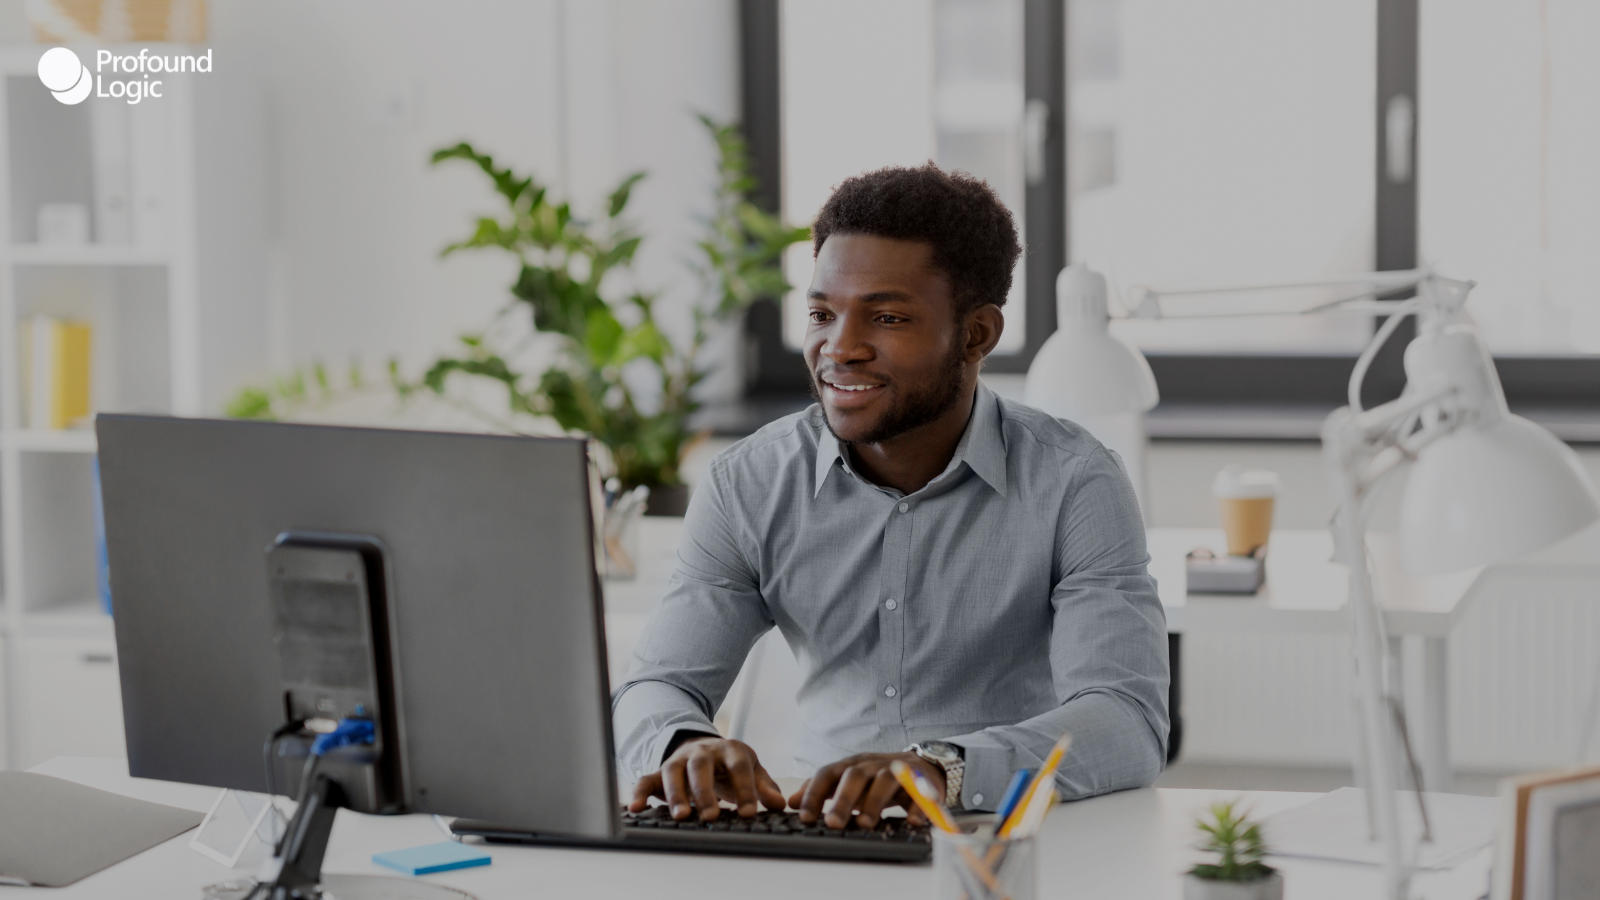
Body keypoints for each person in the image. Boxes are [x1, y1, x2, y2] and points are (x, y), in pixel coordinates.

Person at [613, 163, 1168, 830]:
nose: (838, 348)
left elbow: (1125, 719)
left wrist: (942, 769)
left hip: (1005, 840)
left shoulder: (1075, 481)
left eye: (885, 316)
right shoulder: (749, 483)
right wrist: (682, 744)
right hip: (815, 840)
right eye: (821, 313)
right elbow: (655, 685)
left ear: (976, 335)